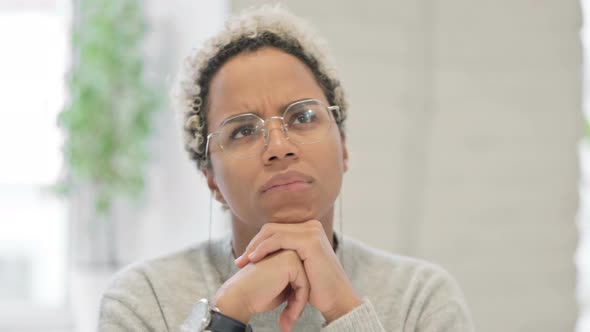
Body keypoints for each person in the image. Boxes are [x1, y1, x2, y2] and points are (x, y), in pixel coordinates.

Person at [98, 6, 473, 332]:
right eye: (243, 130)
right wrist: (227, 314)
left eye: (303, 117)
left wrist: (344, 309)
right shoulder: (142, 300)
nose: (279, 148)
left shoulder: (421, 298)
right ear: (210, 176)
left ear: (343, 147)